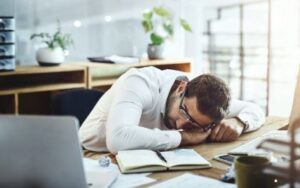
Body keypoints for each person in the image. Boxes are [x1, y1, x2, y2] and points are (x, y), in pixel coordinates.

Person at [79, 67, 265, 154]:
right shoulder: (140, 82)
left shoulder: (205, 101)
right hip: (94, 156)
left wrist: (239, 122)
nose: (183, 125)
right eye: (184, 113)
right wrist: (184, 137)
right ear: (181, 89)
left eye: (196, 126)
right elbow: (117, 140)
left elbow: (256, 110)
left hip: (147, 156)